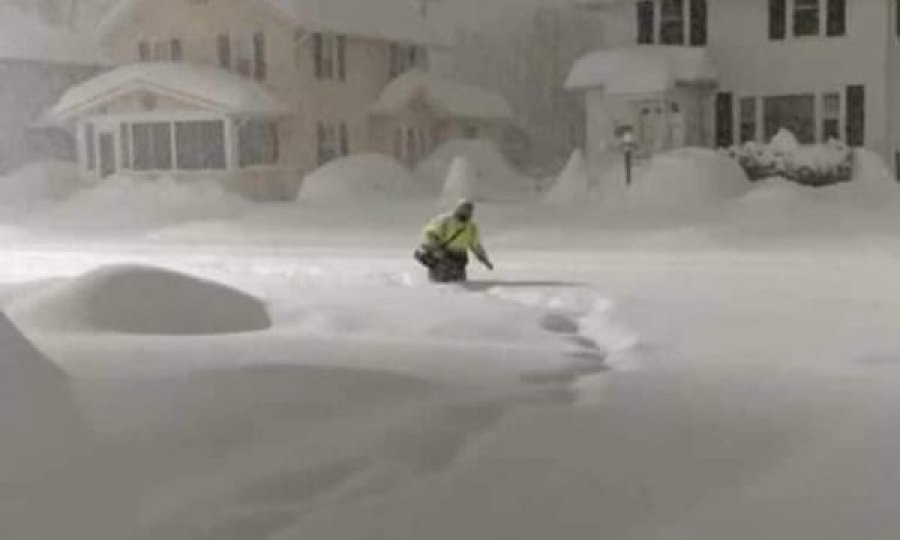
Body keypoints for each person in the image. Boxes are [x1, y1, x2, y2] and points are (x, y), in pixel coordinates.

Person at [418, 199, 493, 282]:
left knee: (459, 282)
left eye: (470, 209)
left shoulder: (471, 226)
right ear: (458, 208)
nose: (467, 211)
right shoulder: (444, 220)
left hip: (459, 258)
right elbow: (430, 234)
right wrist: (436, 249)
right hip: (442, 257)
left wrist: (485, 261)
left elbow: (476, 246)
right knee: (440, 283)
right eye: (465, 208)